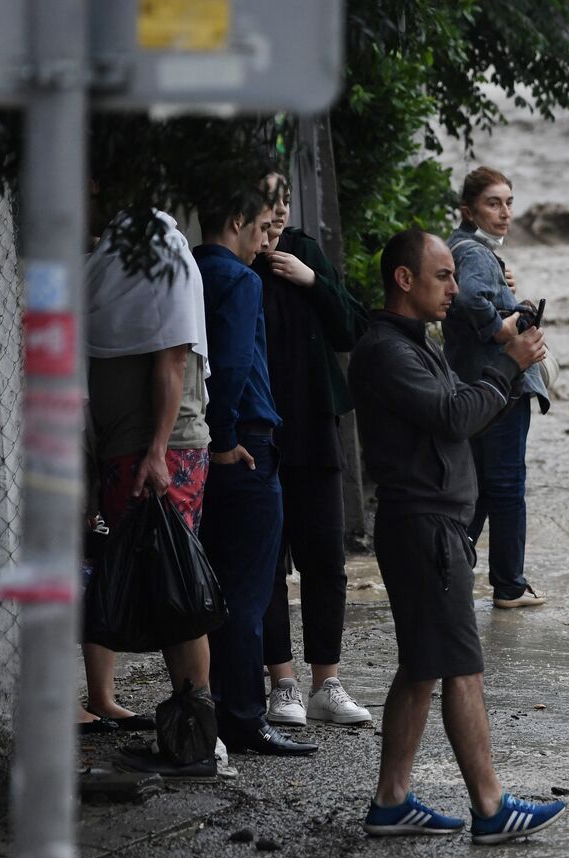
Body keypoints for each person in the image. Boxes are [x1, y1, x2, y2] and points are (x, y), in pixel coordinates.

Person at [349, 229, 565, 842]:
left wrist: (500, 372)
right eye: (443, 276)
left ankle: (391, 801)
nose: (456, 287)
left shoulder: (416, 343)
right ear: (404, 280)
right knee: (461, 668)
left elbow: (459, 408)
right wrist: (508, 365)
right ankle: (492, 809)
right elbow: (452, 417)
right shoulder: (389, 352)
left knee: (421, 667)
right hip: (424, 525)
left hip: (430, 523)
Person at [80, 207, 215, 773]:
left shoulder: (164, 267)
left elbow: (171, 357)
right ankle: (186, 736)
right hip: (128, 452)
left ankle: (198, 742)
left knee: (177, 588)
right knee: (162, 588)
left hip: (159, 454)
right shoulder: (113, 268)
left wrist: (158, 451)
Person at [194, 183, 317, 757]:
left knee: (214, 585)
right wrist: (225, 439)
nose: (267, 240)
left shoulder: (191, 269)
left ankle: (215, 706)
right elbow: (236, 361)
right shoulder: (241, 280)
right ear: (238, 218)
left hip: (204, 448)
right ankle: (242, 716)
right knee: (247, 593)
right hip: (245, 446)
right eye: (264, 227)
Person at [253, 169, 373, 729]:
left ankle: (327, 681)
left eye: (282, 201)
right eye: (266, 203)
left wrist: (311, 279)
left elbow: (353, 327)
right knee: (268, 560)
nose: (278, 213)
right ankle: (282, 684)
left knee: (326, 557)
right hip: (260, 433)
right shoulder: (233, 264)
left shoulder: (303, 251)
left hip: (315, 424)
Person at [445, 167, 549, 609]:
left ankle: (449, 566)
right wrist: (501, 329)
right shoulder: (474, 252)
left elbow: (469, 295)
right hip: (500, 384)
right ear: (469, 210)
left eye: (508, 202)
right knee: (505, 485)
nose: (505, 212)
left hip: (475, 383)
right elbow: (470, 298)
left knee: (483, 486)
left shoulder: (460, 247)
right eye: (494, 203)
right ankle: (508, 585)